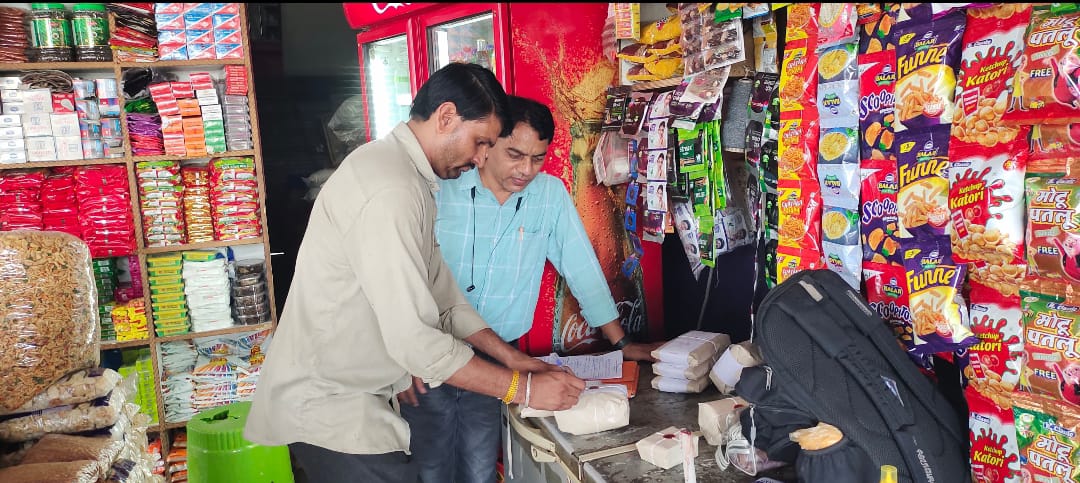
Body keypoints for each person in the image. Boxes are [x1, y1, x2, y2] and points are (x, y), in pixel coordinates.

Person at [244, 64, 585, 483]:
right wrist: (524, 390)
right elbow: (416, 341)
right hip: (332, 410)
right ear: (446, 116)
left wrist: (514, 360)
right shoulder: (392, 189)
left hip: (356, 405)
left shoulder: (408, 178)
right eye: (480, 142)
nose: (482, 158)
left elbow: (445, 298)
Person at [398, 96, 664, 483]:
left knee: (479, 469)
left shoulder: (548, 195)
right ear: (486, 145)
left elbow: (583, 269)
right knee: (429, 468)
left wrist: (621, 343)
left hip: (498, 358)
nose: (526, 170)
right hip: (428, 353)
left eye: (537, 158)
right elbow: (398, 276)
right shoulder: (442, 188)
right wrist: (400, 359)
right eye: (515, 155)